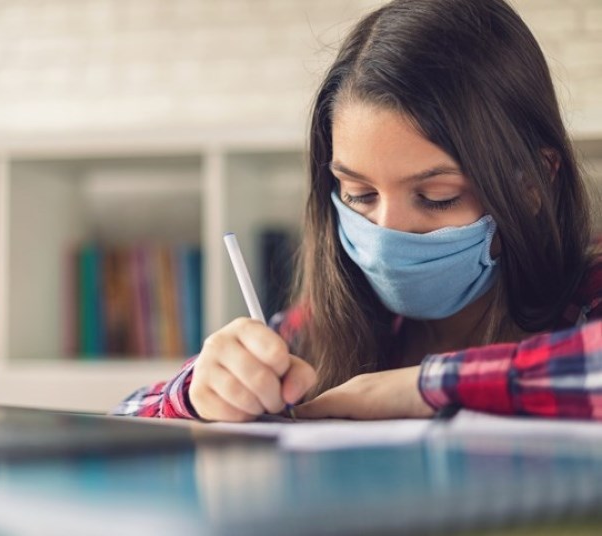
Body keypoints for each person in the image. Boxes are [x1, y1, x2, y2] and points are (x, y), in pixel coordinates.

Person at [112, 0, 602, 422]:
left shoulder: (587, 298)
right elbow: (126, 416)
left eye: (437, 196)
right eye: (360, 194)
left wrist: (415, 389)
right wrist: (200, 391)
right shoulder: (324, 330)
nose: (387, 233)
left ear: (533, 184)